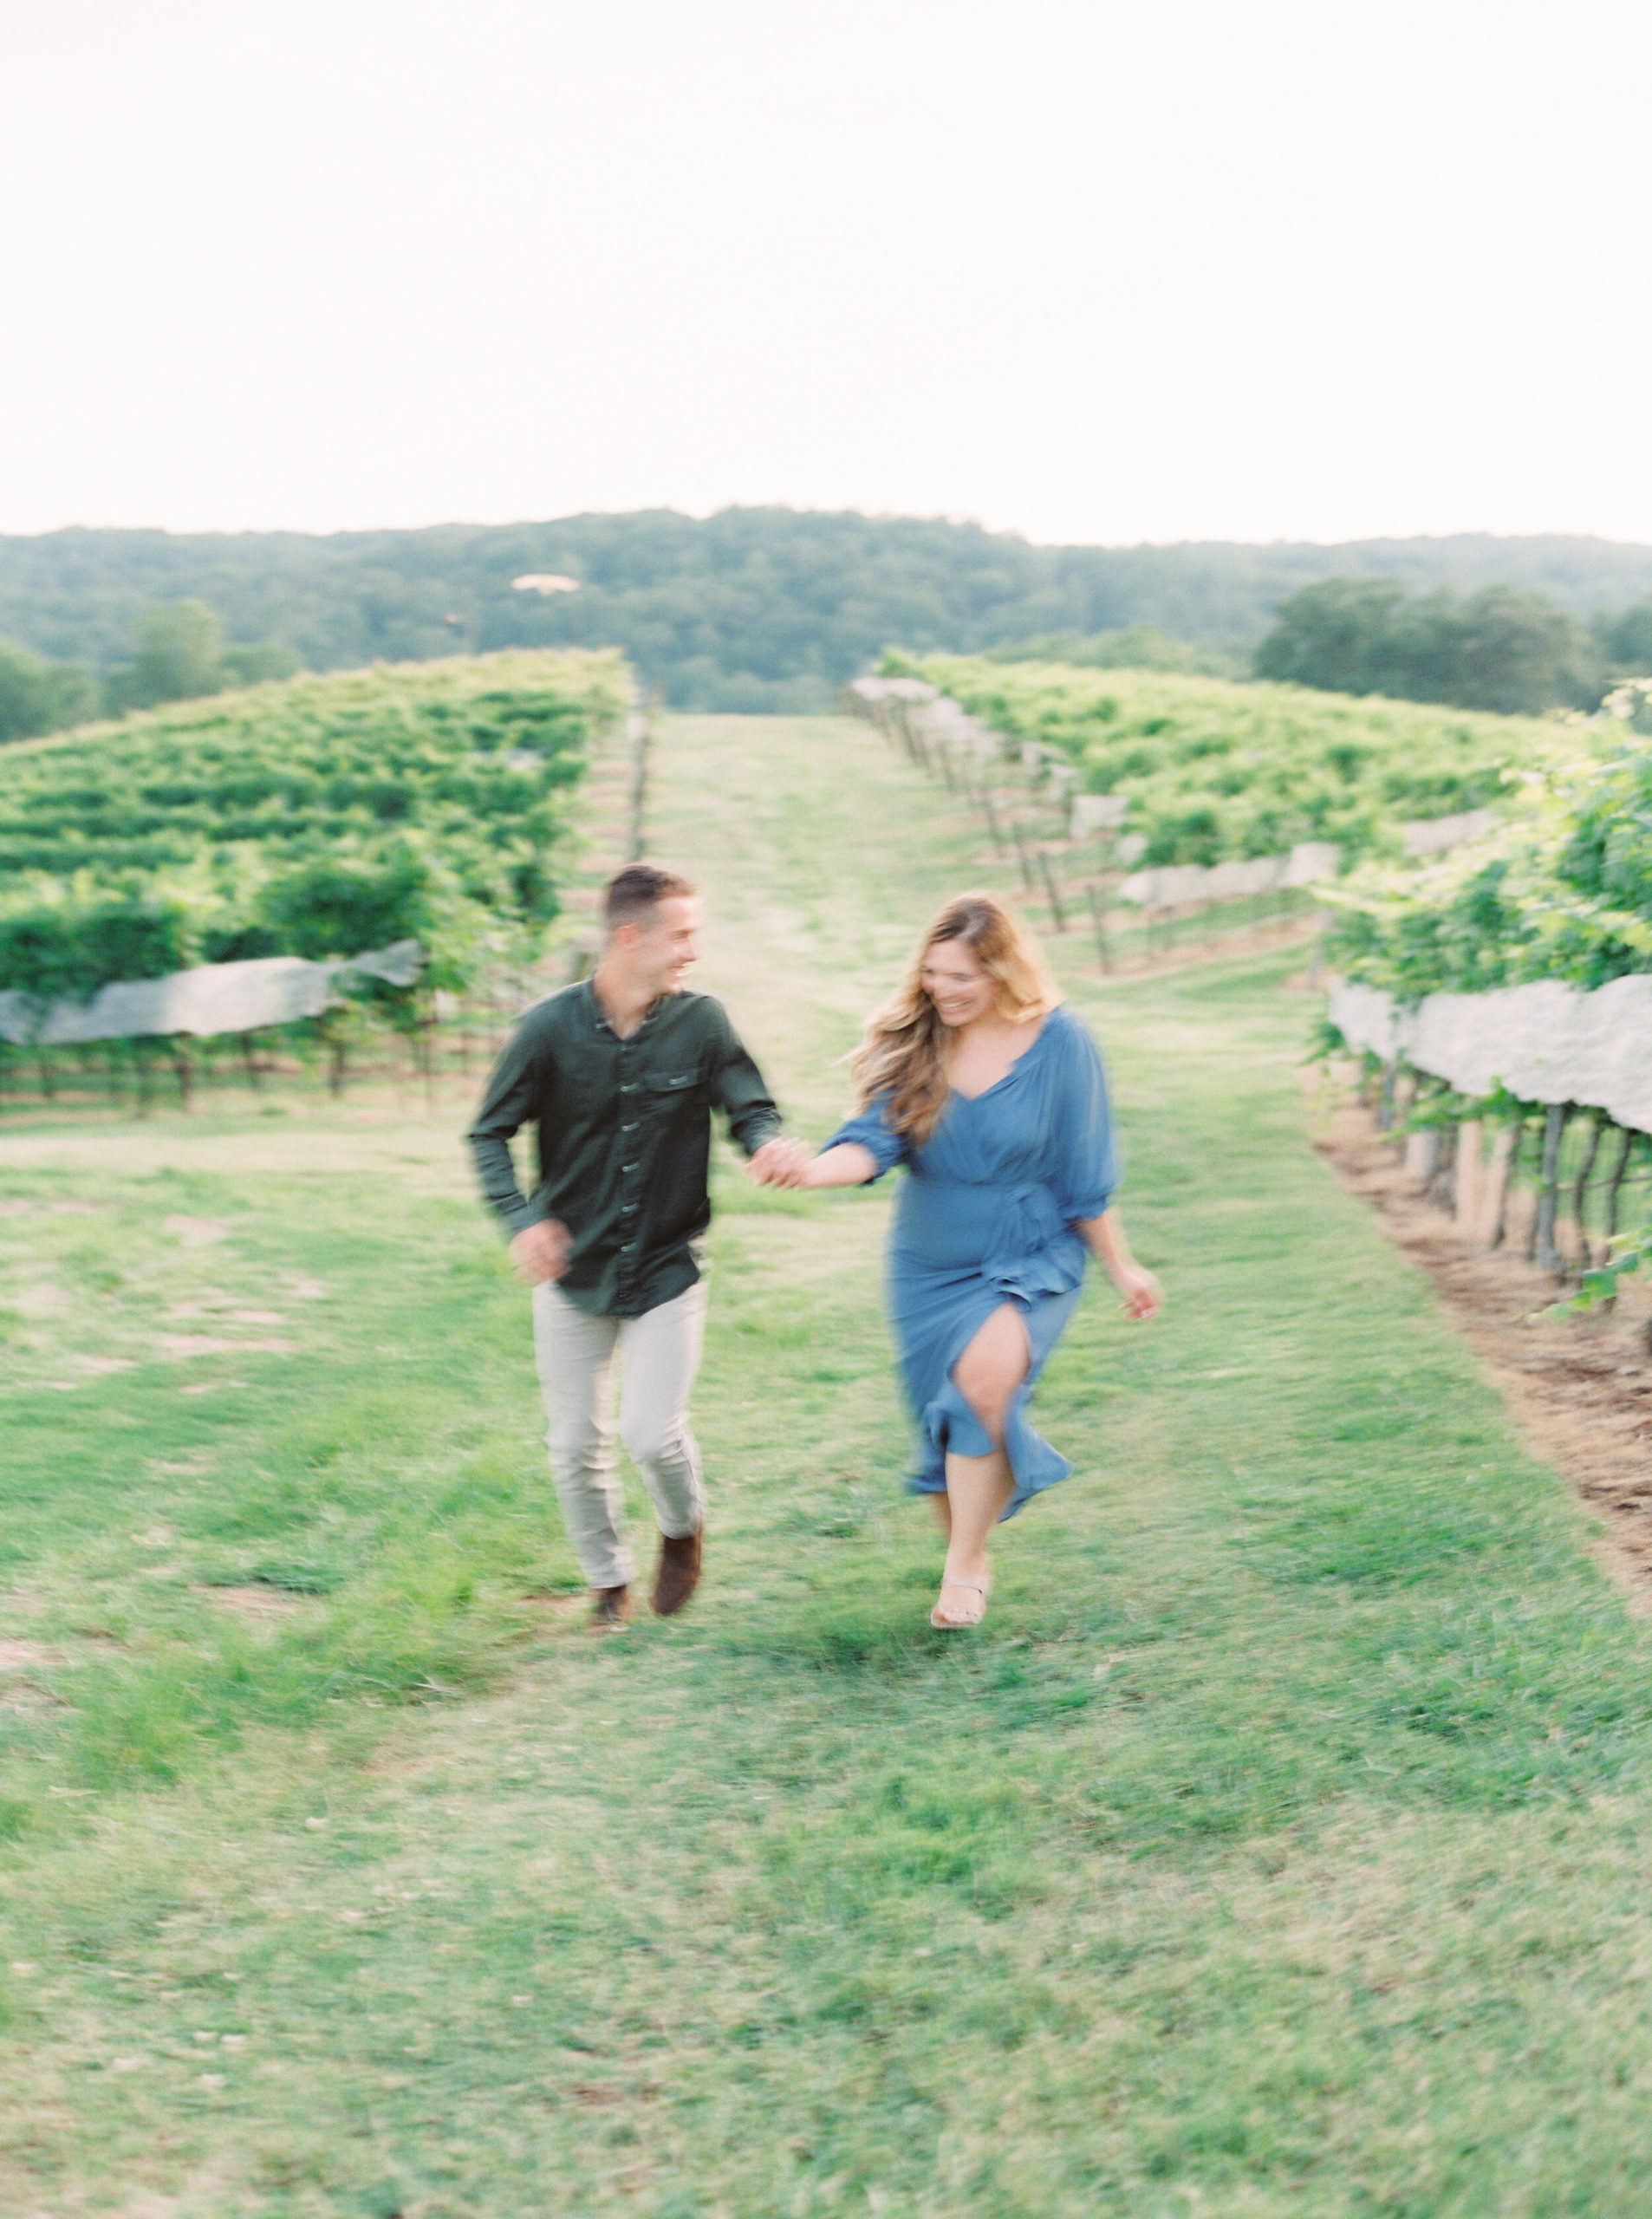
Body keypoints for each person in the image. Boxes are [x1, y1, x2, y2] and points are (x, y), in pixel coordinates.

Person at [752, 892, 1161, 1629]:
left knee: (984, 1382)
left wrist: (1122, 1267)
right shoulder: (921, 1044)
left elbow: (1086, 1174)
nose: (944, 991)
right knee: (941, 1423)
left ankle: (965, 1563)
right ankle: (965, 1549)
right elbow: (872, 1142)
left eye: (963, 978)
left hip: (1031, 1249)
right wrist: (810, 1169)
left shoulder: (1063, 1044)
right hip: (927, 1263)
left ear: (1004, 972)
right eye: (934, 975)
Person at [468, 863, 796, 1627]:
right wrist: (523, 1220)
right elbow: (489, 1131)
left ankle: (682, 1534)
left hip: (666, 1267)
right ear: (629, 937)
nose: (692, 951)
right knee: (574, 1446)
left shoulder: (703, 1022)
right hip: (573, 1272)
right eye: (682, 935)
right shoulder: (548, 1029)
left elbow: (751, 1109)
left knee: (652, 1433)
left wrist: (769, 1145)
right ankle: (607, 1581)